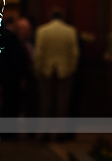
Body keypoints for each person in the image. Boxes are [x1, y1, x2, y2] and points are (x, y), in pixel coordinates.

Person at [34, 8, 79, 140]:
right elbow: (74, 54)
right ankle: (59, 133)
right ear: (62, 17)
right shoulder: (70, 31)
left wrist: (38, 69)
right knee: (62, 104)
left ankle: (44, 132)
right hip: (64, 70)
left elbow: (39, 53)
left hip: (47, 70)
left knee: (45, 103)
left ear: (50, 16)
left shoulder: (42, 30)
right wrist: (71, 69)